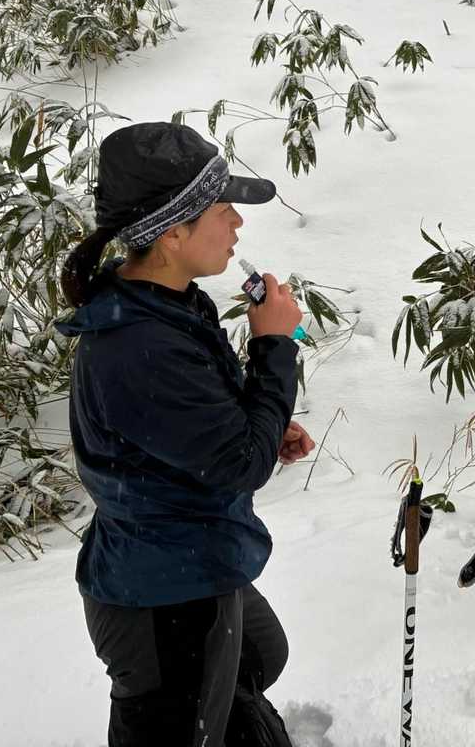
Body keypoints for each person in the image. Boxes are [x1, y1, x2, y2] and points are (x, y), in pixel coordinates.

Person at [58, 121, 316, 746]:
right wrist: (275, 347)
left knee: (261, 650)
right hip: (160, 596)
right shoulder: (139, 344)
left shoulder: (166, 302)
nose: (238, 224)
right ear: (173, 233)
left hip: (185, 554)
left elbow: (201, 427)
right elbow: (240, 464)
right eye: (224, 212)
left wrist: (258, 421)